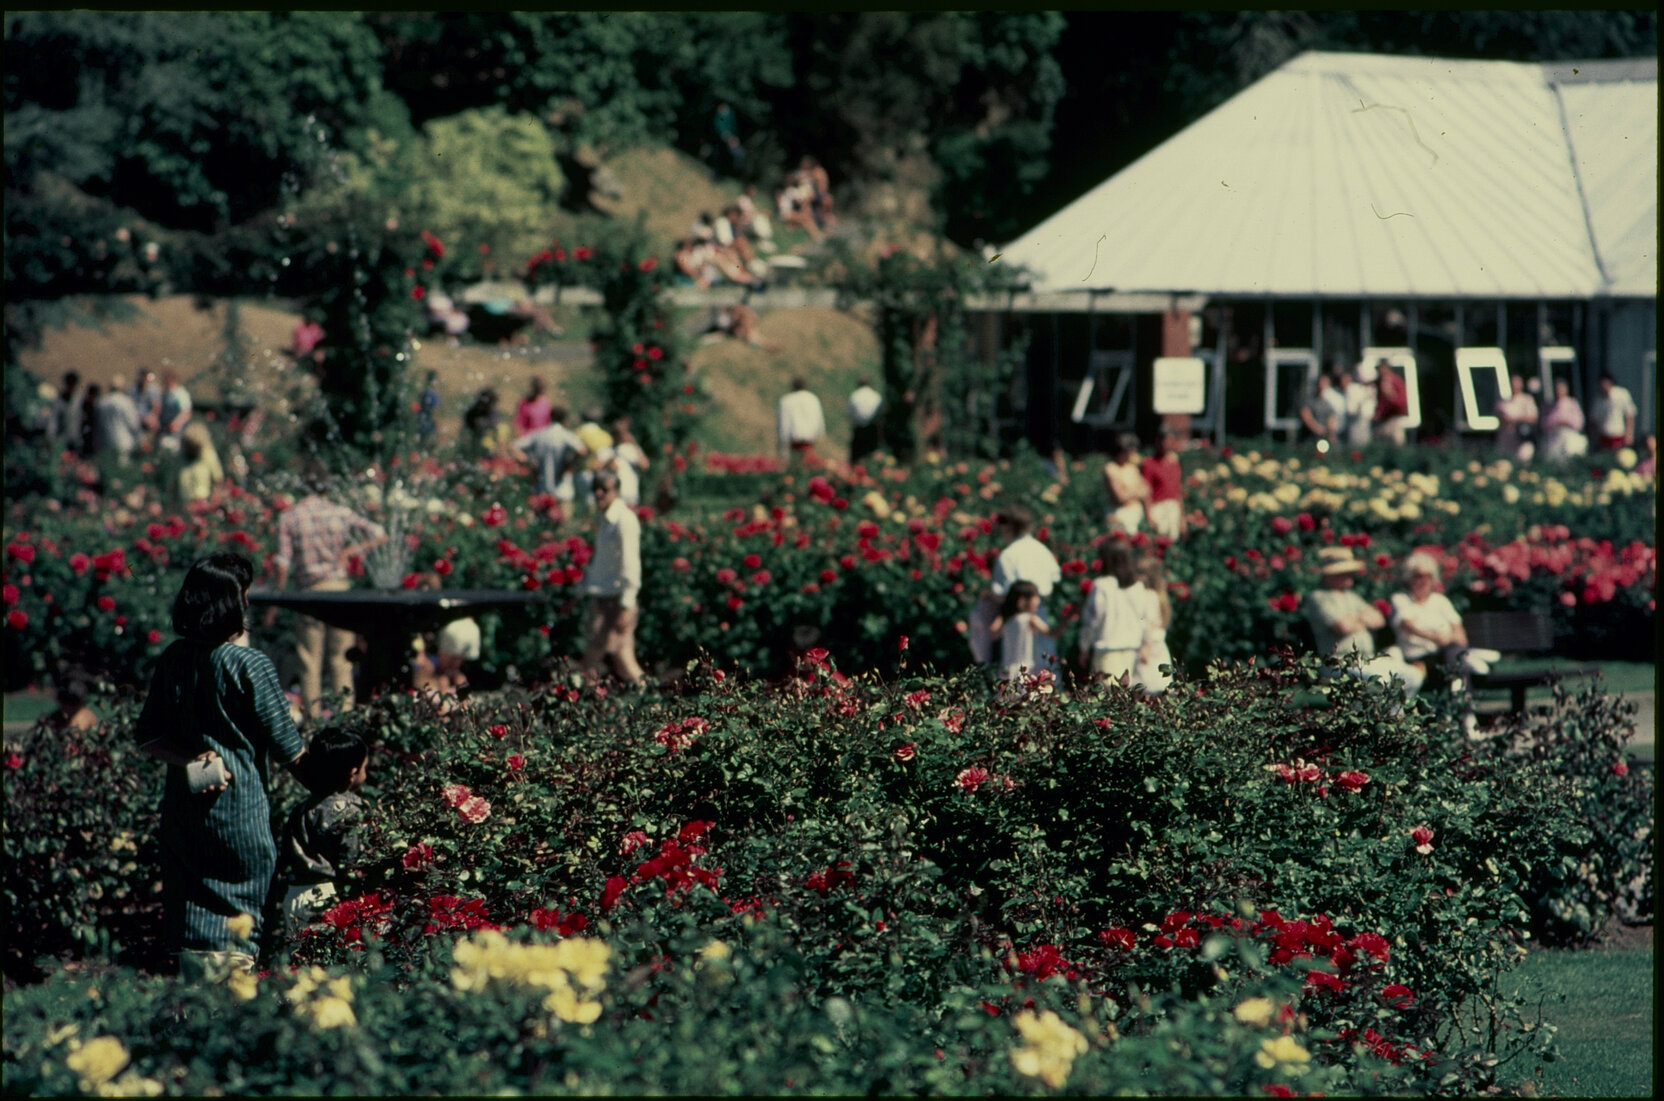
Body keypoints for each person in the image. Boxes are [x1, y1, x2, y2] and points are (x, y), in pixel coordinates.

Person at [134, 551, 308, 977]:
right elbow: (290, 751)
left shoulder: (174, 658)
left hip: (184, 811)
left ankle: (197, 1003)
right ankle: (232, 1004)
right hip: (239, 812)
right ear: (233, 602)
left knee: (191, 919)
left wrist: (191, 758)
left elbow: (149, 736)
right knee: (240, 920)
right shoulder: (250, 665)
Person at [271, 460, 388, 717]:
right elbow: (380, 533)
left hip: (309, 593)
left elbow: (282, 563)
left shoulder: (291, 517)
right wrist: (350, 551)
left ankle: (312, 722)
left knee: (309, 660)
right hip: (340, 591)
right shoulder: (340, 512)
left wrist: (276, 598)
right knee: (341, 658)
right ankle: (345, 718)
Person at [273, 725, 368, 935]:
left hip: (295, 895)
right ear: (352, 774)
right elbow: (350, 862)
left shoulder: (301, 810)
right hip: (326, 896)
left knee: (301, 950)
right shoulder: (347, 811)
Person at [1390, 552, 1491, 733]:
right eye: (1418, 575)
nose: (1423, 580)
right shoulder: (1401, 599)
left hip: (1445, 655)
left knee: (1454, 653)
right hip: (1419, 659)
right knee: (1457, 662)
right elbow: (1407, 625)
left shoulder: (1440, 601)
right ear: (1409, 578)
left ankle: (1464, 702)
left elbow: (1459, 633)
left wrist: (1447, 638)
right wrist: (1435, 636)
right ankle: (1467, 713)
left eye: (1428, 576)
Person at [969, 505, 1062, 667]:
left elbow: (1004, 593)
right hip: (1040, 612)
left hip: (1015, 618)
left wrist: (988, 594)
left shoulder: (1008, 555)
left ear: (1009, 527)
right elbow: (1055, 579)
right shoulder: (1042, 550)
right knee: (1044, 667)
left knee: (1018, 665)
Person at [578, 469, 645, 686]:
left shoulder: (623, 520)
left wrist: (626, 605)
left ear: (616, 491)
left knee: (598, 660)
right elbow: (601, 563)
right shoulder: (606, 519)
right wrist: (579, 591)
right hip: (604, 596)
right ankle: (649, 696)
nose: (598, 493)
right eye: (595, 488)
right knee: (619, 659)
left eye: (604, 489)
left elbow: (630, 564)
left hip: (614, 600)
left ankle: (650, 696)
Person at [1077, 543, 1148, 686]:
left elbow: (1093, 619)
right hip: (1130, 648)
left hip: (1107, 649)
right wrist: (1144, 643)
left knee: (1107, 693)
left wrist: (1084, 647)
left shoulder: (1102, 585)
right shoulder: (1137, 586)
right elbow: (1144, 619)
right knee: (1123, 693)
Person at [511, 404, 587, 507]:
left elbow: (515, 446)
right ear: (565, 420)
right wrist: (568, 466)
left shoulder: (539, 434)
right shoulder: (566, 436)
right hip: (562, 489)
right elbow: (582, 451)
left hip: (540, 489)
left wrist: (528, 462)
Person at [988, 580, 1060, 682]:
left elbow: (992, 633)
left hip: (1007, 669)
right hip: (1026, 669)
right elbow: (1052, 633)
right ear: (1022, 600)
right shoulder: (1030, 618)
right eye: (1036, 597)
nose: (1038, 601)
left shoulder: (1006, 619)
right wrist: (1067, 619)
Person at [1131, 556, 1174, 695]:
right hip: (1158, 647)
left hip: (1149, 646)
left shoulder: (1148, 595)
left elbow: (1148, 624)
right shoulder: (1158, 595)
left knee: (1146, 689)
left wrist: (1146, 648)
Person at [1140, 429, 1186, 541]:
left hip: (1173, 508)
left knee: (1174, 541)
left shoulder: (1174, 463)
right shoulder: (1149, 463)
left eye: (1169, 441)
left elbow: (1178, 491)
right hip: (1158, 508)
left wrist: (1182, 519)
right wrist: (1149, 517)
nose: (1165, 444)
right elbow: (1146, 492)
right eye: (1163, 441)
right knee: (1160, 540)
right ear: (1157, 441)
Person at [1102, 434, 1149, 535]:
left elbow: (1146, 490)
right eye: (1130, 451)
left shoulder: (1132, 468)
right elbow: (1120, 498)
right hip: (1118, 514)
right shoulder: (1111, 468)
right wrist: (1137, 493)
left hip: (1135, 513)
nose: (1133, 454)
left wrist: (1129, 493)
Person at [94, 373, 143, 464]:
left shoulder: (102, 402)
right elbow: (134, 424)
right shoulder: (126, 402)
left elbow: (98, 424)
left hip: (106, 442)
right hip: (124, 443)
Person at [777, 377, 825, 464]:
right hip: (809, 441)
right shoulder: (812, 399)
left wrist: (783, 443)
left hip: (793, 441)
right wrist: (820, 435)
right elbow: (819, 420)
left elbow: (783, 424)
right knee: (806, 464)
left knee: (795, 464)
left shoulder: (786, 400)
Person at [1538, 378, 1588, 462]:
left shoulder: (1572, 403)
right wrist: (1555, 422)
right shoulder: (1548, 406)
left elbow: (1579, 422)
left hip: (1568, 435)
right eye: (1557, 389)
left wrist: (1566, 422)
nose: (1559, 391)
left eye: (1561, 389)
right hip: (1553, 438)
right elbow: (1543, 424)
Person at [605, 416, 650, 507]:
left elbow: (645, 465)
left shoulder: (631, 449)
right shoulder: (609, 450)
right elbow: (611, 468)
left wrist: (634, 444)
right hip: (616, 494)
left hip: (631, 493)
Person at [177, 422, 226, 504]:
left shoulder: (208, 455)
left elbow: (218, 479)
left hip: (203, 502)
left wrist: (213, 500)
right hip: (186, 503)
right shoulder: (182, 458)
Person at [1494, 374, 1539, 462]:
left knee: (1523, 459)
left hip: (1523, 438)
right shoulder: (1503, 402)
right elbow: (1498, 417)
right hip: (1507, 439)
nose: (1514, 386)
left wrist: (1517, 419)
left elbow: (1533, 418)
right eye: (1512, 384)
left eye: (1517, 384)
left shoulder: (1527, 400)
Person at [1589, 373, 1637, 451]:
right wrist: (1591, 439)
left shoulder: (1622, 394)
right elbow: (1594, 421)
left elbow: (1629, 415)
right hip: (1604, 437)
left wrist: (1629, 435)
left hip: (1619, 436)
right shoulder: (1598, 400)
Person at [1297, 373, 1343, 448]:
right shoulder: (1307, 401)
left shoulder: (1327, 404)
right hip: (1308, 440)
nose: (1322, 386)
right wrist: (1319, 430)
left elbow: (1331, 420)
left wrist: (1331, 433)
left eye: (1325, 383)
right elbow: (1307, 418)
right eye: (1321, 383)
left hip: (1323, 441)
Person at [1372, 359, 1410, 445]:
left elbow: (1402, 403)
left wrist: (1390, 395)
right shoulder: (1378, 383)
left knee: (1396, 443)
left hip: (1394, 419)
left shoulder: (1397, 381)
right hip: (1381, 422)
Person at [847, 377, 883, 464]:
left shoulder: (855, 395)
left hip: (859, 429)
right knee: (870, 456)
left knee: (856, 457)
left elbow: (849, 415)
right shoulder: (876, 396)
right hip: (872, 429)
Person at [157, 371, 193, 452]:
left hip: (176, 432)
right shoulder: (165, 394)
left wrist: (176, 423)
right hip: (164, 429)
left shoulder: (181, 393)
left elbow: (187, 412)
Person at [1344, 363, 1377, 449]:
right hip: (1356, 423)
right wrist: (1364, 398)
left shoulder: (1372, 389)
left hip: (1369, 424)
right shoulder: (1352, 388)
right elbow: (1351, 409)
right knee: (1356, 448)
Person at [462, 388, 501, 456]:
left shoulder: (492, 411)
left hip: (487, 439)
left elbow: (494, 425)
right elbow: (467, 425)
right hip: (475, 437)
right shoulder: (473, 411)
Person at [417, 371, 441, 442]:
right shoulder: (435, 395)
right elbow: (435, 412)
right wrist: (439, 429)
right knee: (429, 445)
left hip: (421, 425)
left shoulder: (423, 393)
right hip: (430, 427)